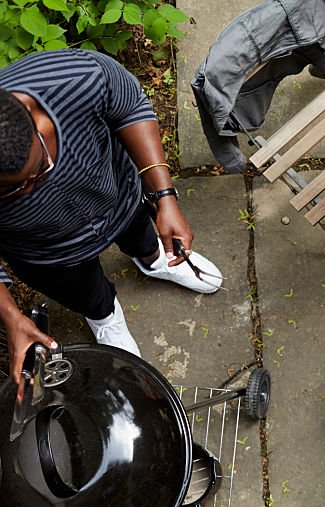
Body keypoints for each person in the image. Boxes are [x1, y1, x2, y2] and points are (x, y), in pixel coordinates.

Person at [0, 49, 222, 378]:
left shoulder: (78, 76)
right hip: (47, 250)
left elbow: (130, 106)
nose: (34, 186)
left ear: (34, 115)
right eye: (13, 189)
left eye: (40, 165)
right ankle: (105, 317)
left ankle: (154, 260)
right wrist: (11, 317)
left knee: (140, 232)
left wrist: (165, 198)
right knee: (82, 289)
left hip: (117, 195)